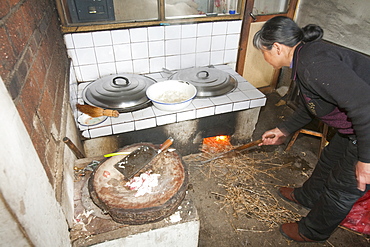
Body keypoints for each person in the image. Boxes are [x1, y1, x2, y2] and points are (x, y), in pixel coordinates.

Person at [253, 16, 370, 242]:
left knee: (343, 188)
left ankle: (311, 231)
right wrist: (283, 129)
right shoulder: (304, 58)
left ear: (276, 48)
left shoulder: (314, 65)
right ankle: (307, 196)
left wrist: (366, 159)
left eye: (263, 52)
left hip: (366, 125)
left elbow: (365, 107)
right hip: (354, 126)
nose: (264, 58)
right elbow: (315, 104)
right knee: (329, 160)